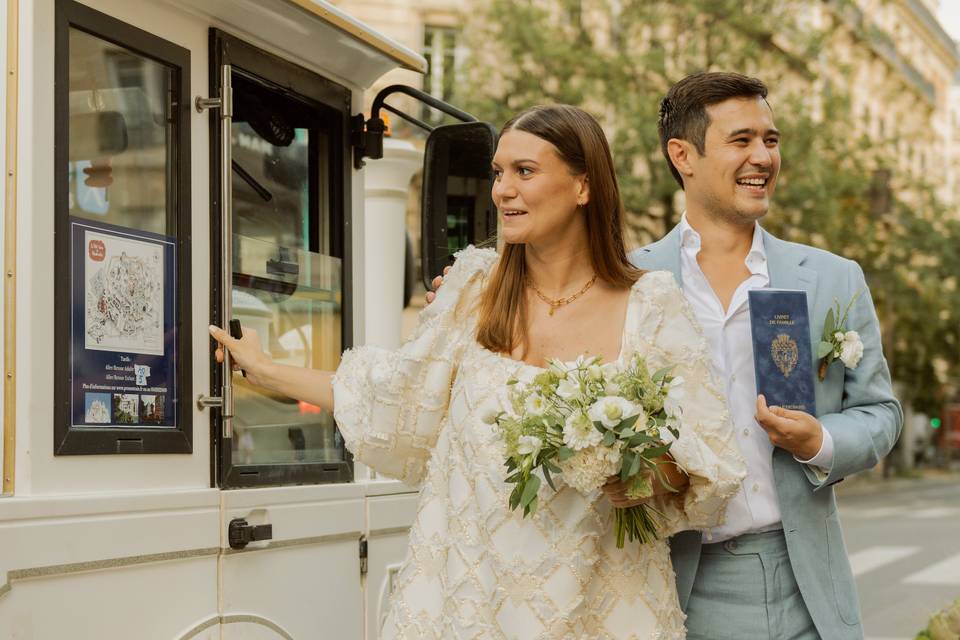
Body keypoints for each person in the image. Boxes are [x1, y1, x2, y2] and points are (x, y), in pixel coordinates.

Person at [211, 104, 744, 639]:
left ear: (583, 186)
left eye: (525, 172)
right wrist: (265, 370)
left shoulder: (650, 305)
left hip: (601, 607)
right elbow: (391, 397)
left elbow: (703, 461)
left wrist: (641, 476)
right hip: (466, 602)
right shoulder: (472, 289)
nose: (502, 190)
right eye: (498, 172)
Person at [603, 72, 903, 639]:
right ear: (683, 155)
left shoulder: (834, 279)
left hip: (807, 589)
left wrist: (821, 442)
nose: (763, 156)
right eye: (742, 140)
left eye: (771, 139)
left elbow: (881, 414)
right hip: (678, 586)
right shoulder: (627, 279)